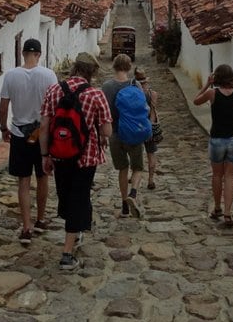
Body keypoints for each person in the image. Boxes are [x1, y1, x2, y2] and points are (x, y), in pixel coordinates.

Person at [39, 52, 112, 271]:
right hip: (86, 157)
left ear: (74, 68)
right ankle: (67, 254)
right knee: (79, 197)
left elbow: (43, 127)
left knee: (66, 195)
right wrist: (100, 132)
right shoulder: (95, 95)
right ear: (91, 73)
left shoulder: (54, 90)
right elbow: (107, 130)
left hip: (59, 154)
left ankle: (77, 228)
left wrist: (45, 155)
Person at [0, 38, 58, 246]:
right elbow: (55, 106)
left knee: (23, 181)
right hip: (42, 134)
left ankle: (26, 227)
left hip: (19, 134)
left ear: (23, 54)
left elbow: (4, 106)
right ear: (39, 54)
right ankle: (41, 219)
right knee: (43, 177)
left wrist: (4, 128)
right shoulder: (49, 75)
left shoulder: (11, 76)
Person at [193, 64, 233, 227]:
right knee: (230, 176)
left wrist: (206, 84)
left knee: (217, 175)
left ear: (216, 78)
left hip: (217, 139)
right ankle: (227, 213)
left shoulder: (212, 93)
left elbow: (196, 101)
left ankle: (217, 207)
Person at [101, 53, 144, 218]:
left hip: (115, 133)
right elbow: (143, 107)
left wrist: (102, 135)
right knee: (138, 167)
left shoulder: (107, 86)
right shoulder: (136, 85)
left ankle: (124, 206)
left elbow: (103, 112)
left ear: (114, 66)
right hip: (134, 132)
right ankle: (133, 194)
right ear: (129, 67)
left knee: (122, 169)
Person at [134, 68, 160, 190]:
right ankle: (151, 179)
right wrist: (150, 126)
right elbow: (153, 111)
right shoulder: (152, 94)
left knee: (135, 153)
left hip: (136, 127)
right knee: (151, 153)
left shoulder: (133, 93)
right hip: (148, 126)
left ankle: (134, 175)